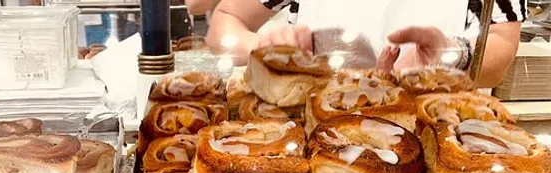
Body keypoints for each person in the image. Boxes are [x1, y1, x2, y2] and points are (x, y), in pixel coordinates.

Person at [205, 0, 525, 87]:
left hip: (435, 137)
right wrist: (263, 47)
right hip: (313, 138)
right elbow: (227, 19)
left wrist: (457, 55)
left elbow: (501, 44)